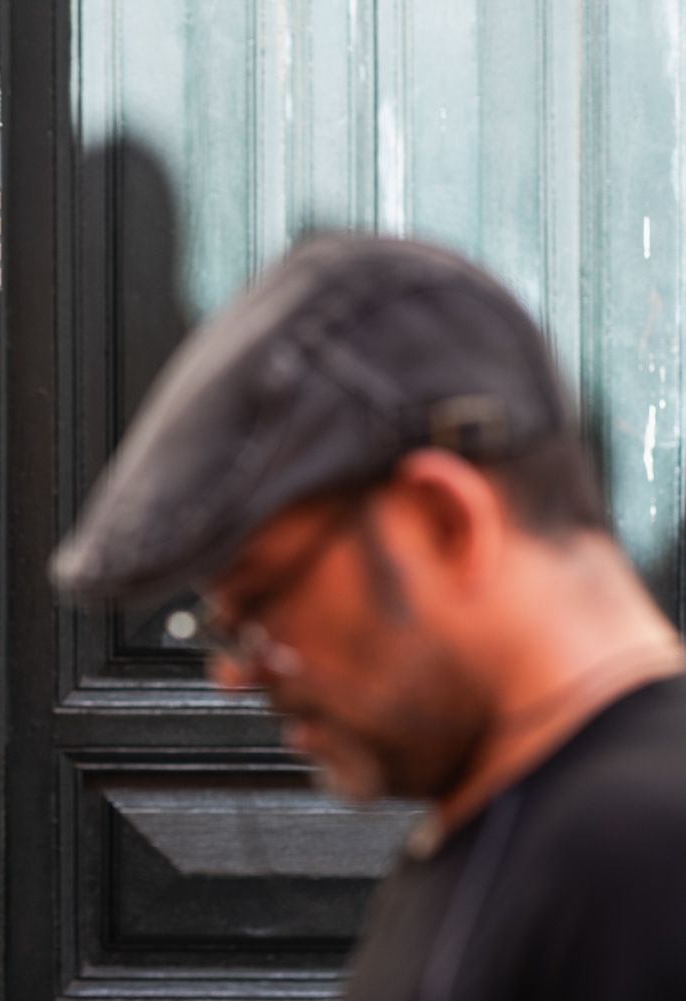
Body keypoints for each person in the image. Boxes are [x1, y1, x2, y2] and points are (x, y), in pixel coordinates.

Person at [50, 234, 686, 1000]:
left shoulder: (640, 859)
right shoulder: (503, 815)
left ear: (441, 519)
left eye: (259, 603)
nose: (233, 672)